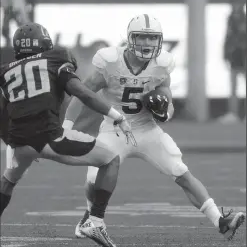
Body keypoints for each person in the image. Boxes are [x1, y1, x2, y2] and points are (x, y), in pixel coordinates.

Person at [63, 14, 245, 241]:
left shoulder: (162, 65)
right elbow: (82, 94)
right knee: (92, 178)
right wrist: (67, 126)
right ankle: (90, 218)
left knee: (181, 172)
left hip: (147, 129)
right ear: (129, 38)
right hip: (115, 128)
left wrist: (164, 112)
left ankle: (221, 221)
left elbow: (167, 102)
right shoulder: (110, 62)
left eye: (152, 39)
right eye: (141, 37)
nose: (147, 44)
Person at [0, 22, 136, 247]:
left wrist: (11, 143)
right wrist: (116, 116)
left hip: (19, 142)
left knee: (8, 181)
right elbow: (82, 93)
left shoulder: (6, 71)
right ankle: (94, 222)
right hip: (50, 138)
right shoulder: (55, 59)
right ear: (45, 44)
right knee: (111, 159)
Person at [219, 0, 246, 123]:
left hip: (244, 55)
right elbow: (228, 37)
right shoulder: (230, 19)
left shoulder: (243, 19)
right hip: (234, 56)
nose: (235, 6)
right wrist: (225, 53)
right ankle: (233, 113)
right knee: (233, 86)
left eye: (238, 3)